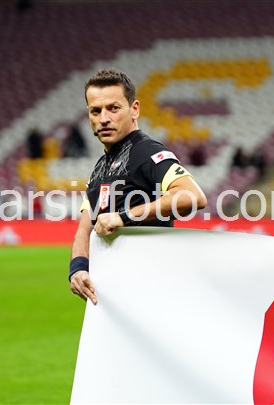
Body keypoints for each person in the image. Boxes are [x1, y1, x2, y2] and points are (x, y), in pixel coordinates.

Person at [69, 69, 207, 304]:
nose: (104, 118)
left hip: (149, 290)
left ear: (134, 109)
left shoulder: (146, 151)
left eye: (113, 108)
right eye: (96, 111)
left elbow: (192, 196)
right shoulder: (101, 166)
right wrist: (78, 268)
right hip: (113, 294)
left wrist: (122, 217)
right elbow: (85, 227)